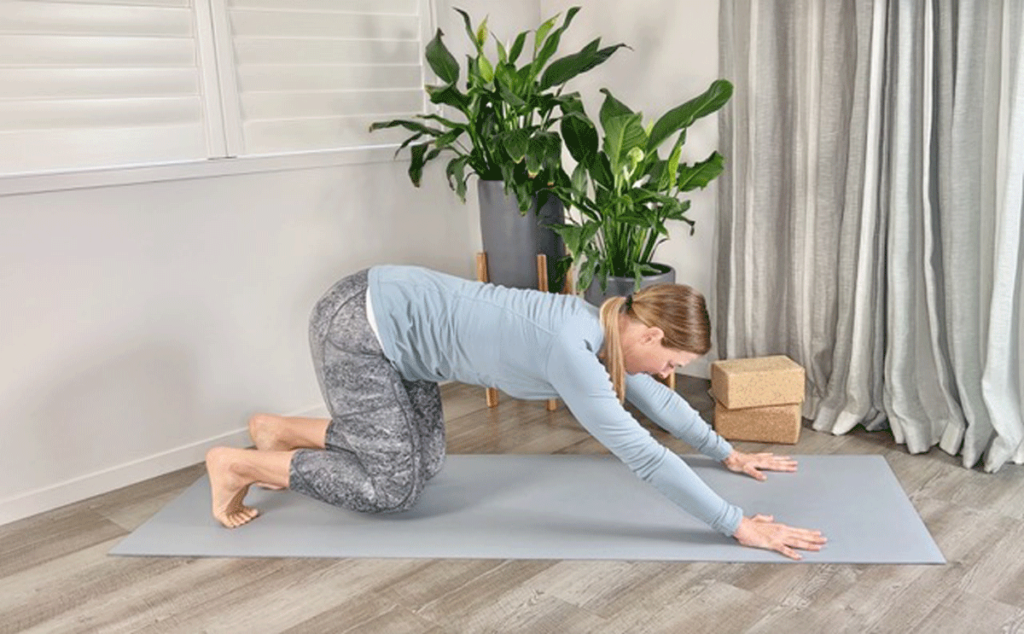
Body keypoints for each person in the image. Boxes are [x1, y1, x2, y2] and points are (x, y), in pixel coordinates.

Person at [205, 265, 827, 560]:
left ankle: (277, 430)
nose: (669, 373)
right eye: (673, 360)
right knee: (393, 488)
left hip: (397, 333)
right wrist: (735, 525)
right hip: (359, 328)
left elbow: (655, 399)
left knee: (427, 462)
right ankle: (239, 465)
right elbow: (642, 452)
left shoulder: (607, 326)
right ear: (652, 335)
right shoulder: (572, 349)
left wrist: (726, 452)